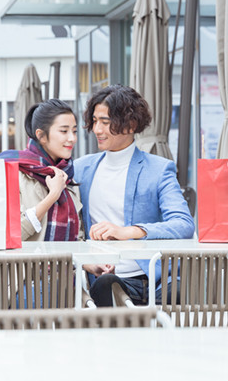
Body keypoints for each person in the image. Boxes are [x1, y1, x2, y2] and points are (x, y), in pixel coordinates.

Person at [75, 84, 194, 307]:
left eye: (105, 122)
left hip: (153, 279)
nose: (97, 129)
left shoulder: (159, 169)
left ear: (130, 125)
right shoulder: (81, 169)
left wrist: (129, 231)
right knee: (106, 286)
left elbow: (184, 224)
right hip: (106, 279)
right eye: (94, 121)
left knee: (178, 292)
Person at [0, 99, 84, 241]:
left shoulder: (68, 178)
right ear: (41, 135)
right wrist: (53, 195)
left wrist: (89, 263)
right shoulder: (15, 174)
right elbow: (11, 236)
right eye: (64, 131)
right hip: (29, 263)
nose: (72, 138)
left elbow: (78, 237)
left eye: (74, 131)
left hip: (66, 264)